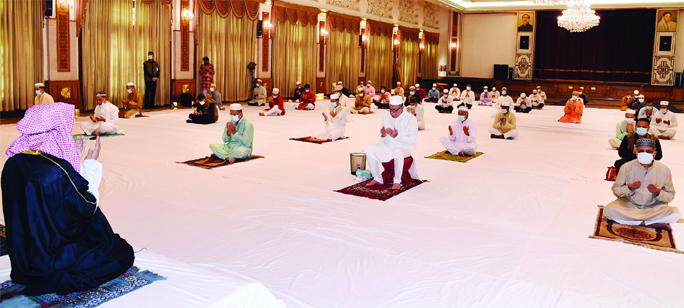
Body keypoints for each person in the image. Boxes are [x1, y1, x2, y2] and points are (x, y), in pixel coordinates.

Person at [2, 103, 134, 296]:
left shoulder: (13, 162)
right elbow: (86, 206)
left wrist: (71, 163)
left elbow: (39, 201)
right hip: (54, 255)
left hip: (26, 256)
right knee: (120, 253)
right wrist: (90, 164)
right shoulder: (56, 170)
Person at [605, 137, 679, 227]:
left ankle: (634, 221)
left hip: (654, 208)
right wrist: (629, 188)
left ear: (654, 154)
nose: (644, 154)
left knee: (675, 213)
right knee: (609, 210)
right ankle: (649, 222)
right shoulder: (626, 167)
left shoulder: (664, 170)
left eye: (648, 151)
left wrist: (658, 193)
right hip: (629, 205)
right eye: (641, 151)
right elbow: (616, 190)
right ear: (636, 152)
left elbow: (670, 195)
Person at [363, 96, 419, 190]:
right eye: (390, 109)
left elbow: (413, 141)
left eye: (395, 110)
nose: (392, 112)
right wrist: (383, 134)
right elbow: (381, 138)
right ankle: (377, 178)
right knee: (369, 148)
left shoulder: (411, 119)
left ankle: (397, 181)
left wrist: (397, 136)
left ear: (402, 108)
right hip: (389, 146)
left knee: (398, 151)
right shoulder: (386, 117)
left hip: (404, 148)